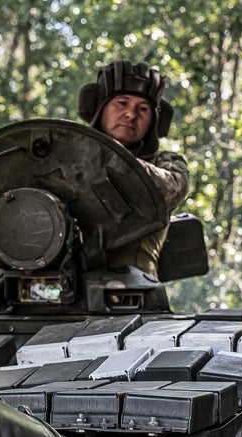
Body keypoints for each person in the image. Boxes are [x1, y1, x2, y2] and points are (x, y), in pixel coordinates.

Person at [77, 60, 190, 277]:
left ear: (154, 121)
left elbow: (171, 188)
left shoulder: (166, 163)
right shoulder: (65, 159)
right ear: (100, 108)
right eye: (122, 103)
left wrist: (109, 157)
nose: (131, 114)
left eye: (143, 109)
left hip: (136, 293)